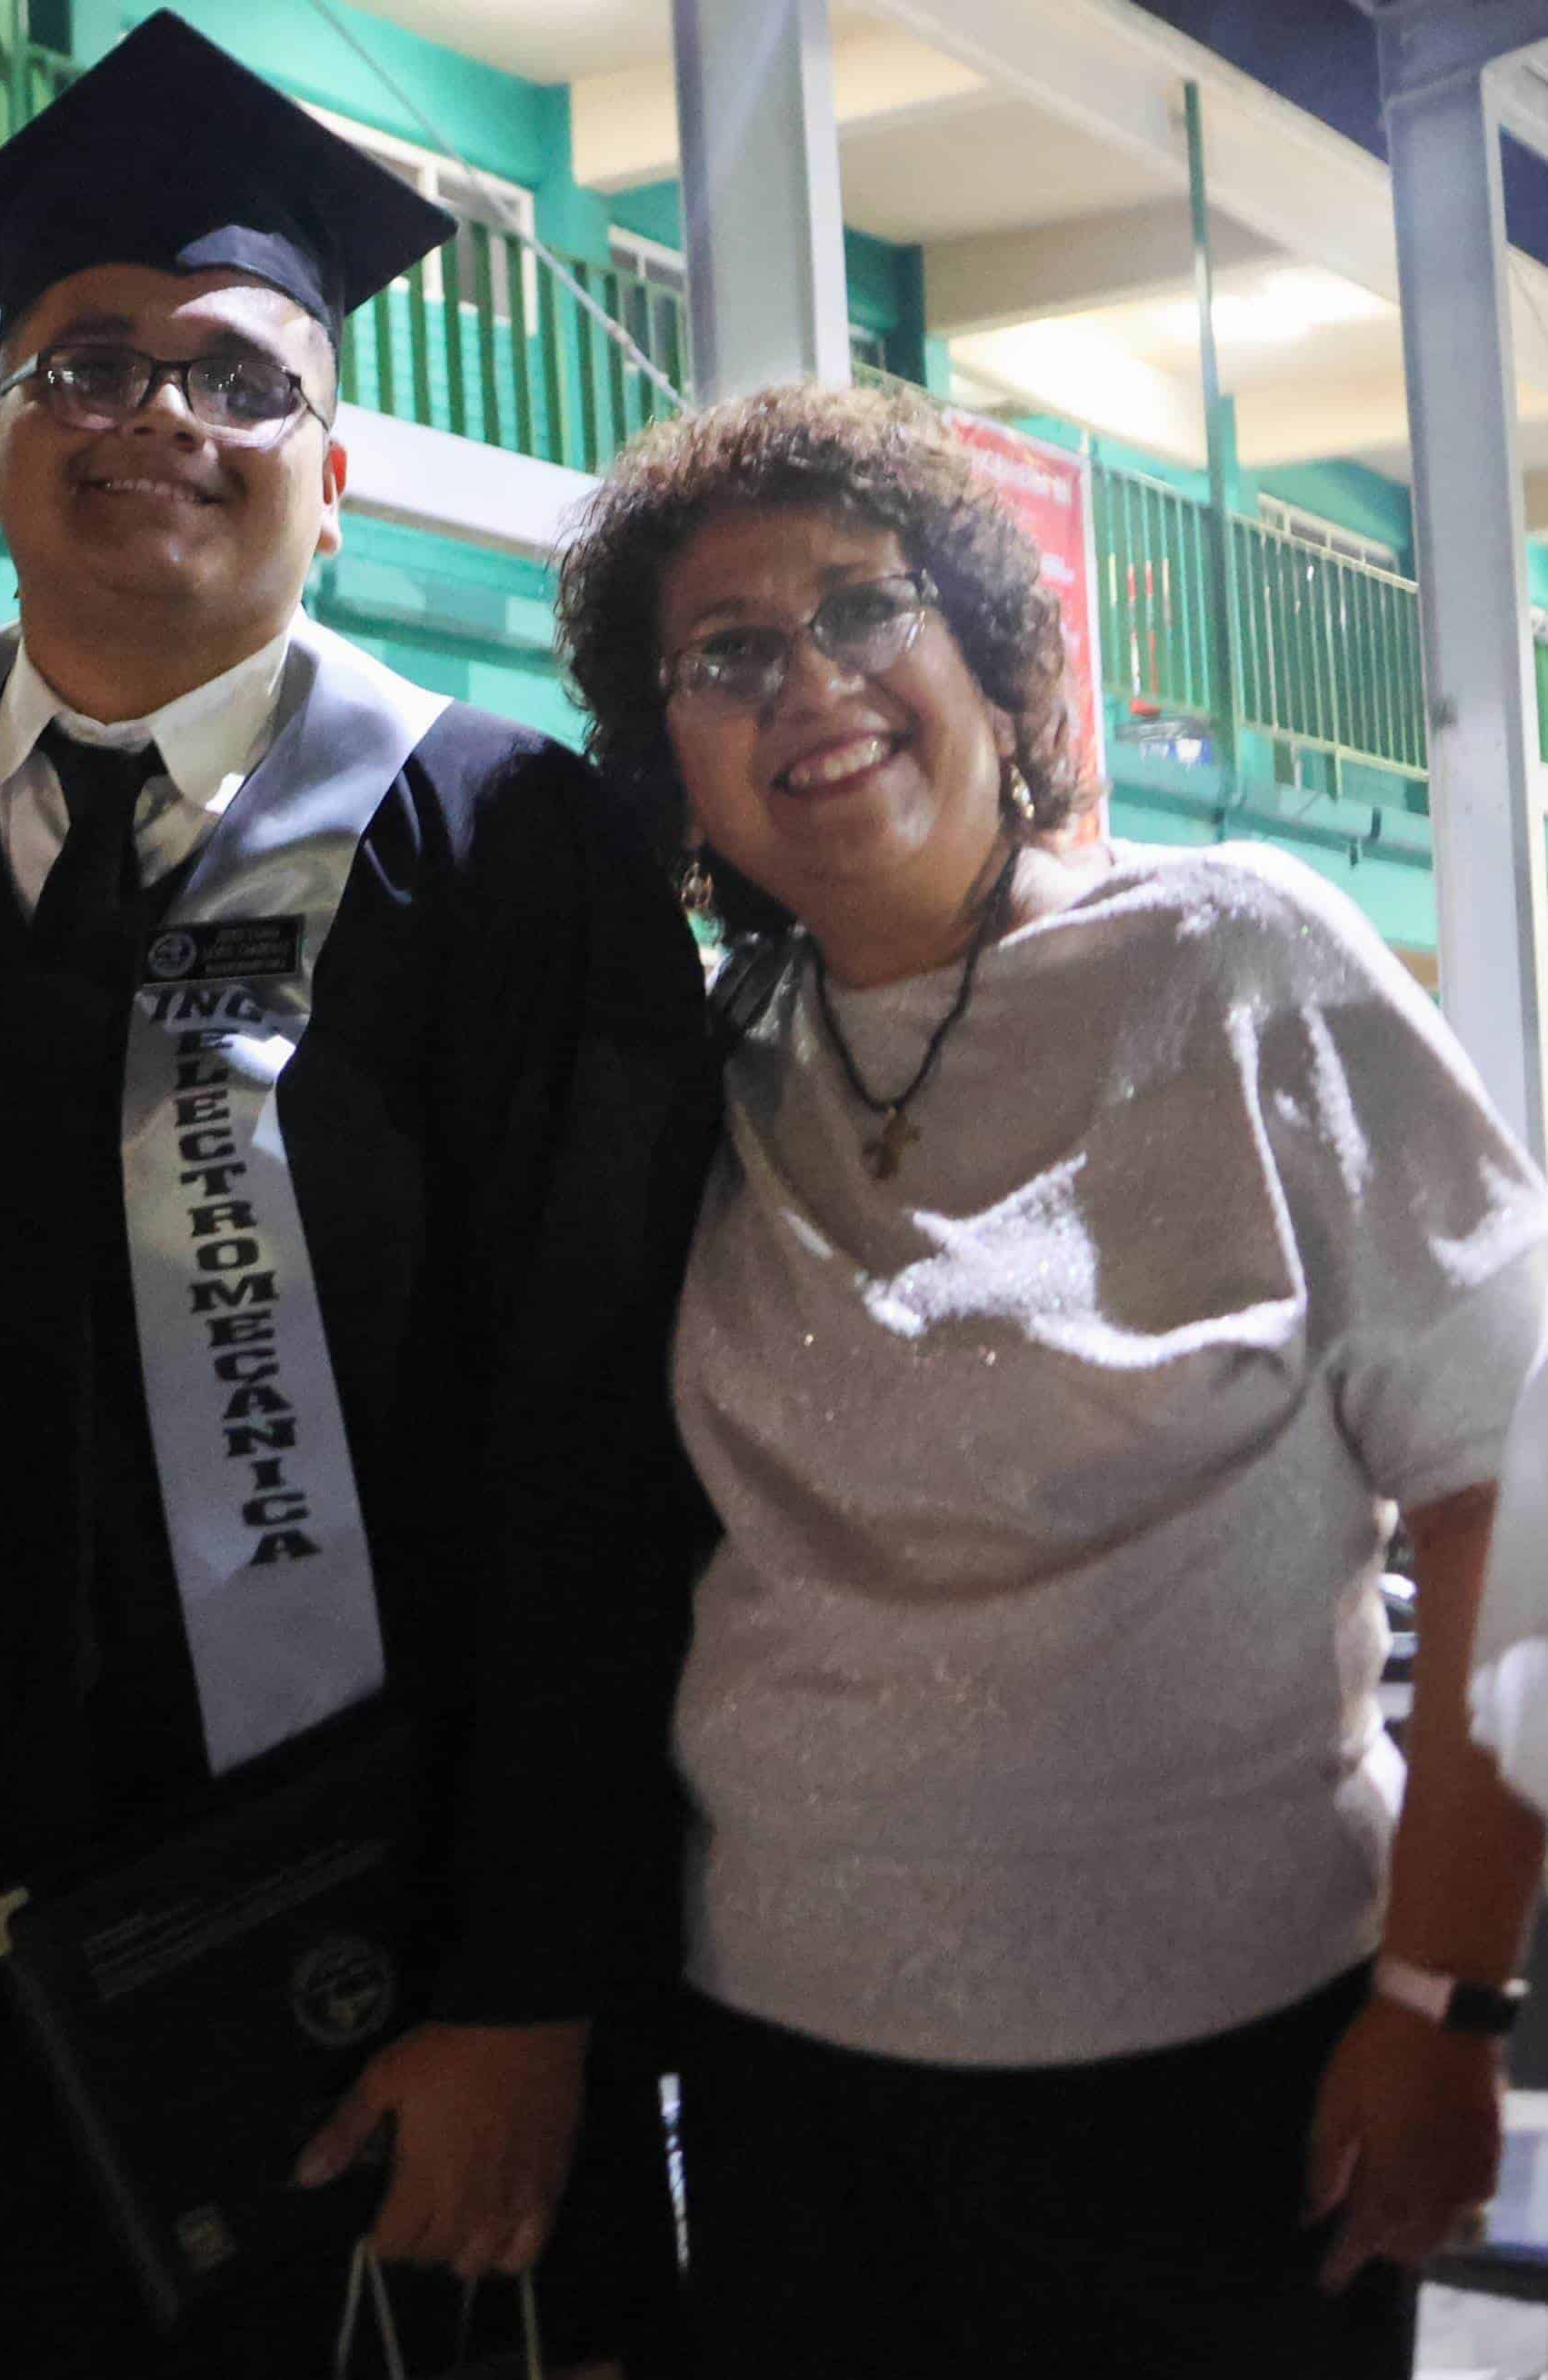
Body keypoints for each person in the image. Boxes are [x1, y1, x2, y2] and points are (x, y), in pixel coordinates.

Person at [0, 17, 712, 2373]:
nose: (157, 414)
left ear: (337, 478)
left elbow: (607, 1455)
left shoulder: (507, 851)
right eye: (83, 366)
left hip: (345, 1954)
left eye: (238, 380)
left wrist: (523, 1981)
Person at [551, 378, 1548, 2377]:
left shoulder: (1242, 959)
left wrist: (1446, 2002)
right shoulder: (700, 1071)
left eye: (861, 605)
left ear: (997, 660)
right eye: (724, 654)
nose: (806, 682)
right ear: (670, 758)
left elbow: (1506, 1484)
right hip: (782, 2085)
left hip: (1228, 2083)